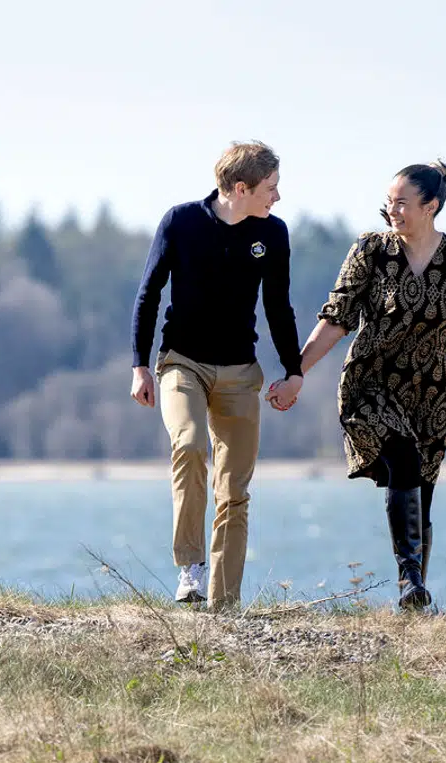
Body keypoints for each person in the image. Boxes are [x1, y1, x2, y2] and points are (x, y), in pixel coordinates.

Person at [273, 160, 446, 609]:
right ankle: (409, 580)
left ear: (430, 206)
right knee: (402, 457)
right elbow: (336, 319)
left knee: (424, 490)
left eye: (402, 203)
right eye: (389, 202)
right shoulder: (371, 250)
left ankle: (416, 596)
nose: (392, 210)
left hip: (432, 390)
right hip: (370, 382)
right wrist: (296, 373)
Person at [130, 141, 304, 608]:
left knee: (233, 489)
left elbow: (278, 307)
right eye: (271, 188)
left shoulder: (274, 233)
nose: (278, 197)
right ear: (241, 187)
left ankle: (223, 604)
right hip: (181, 363)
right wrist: (139, 366)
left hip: (240, 373)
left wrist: (294, 370)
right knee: (188, 445)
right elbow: (148, 294)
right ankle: (190, 569)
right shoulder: (181, 221)